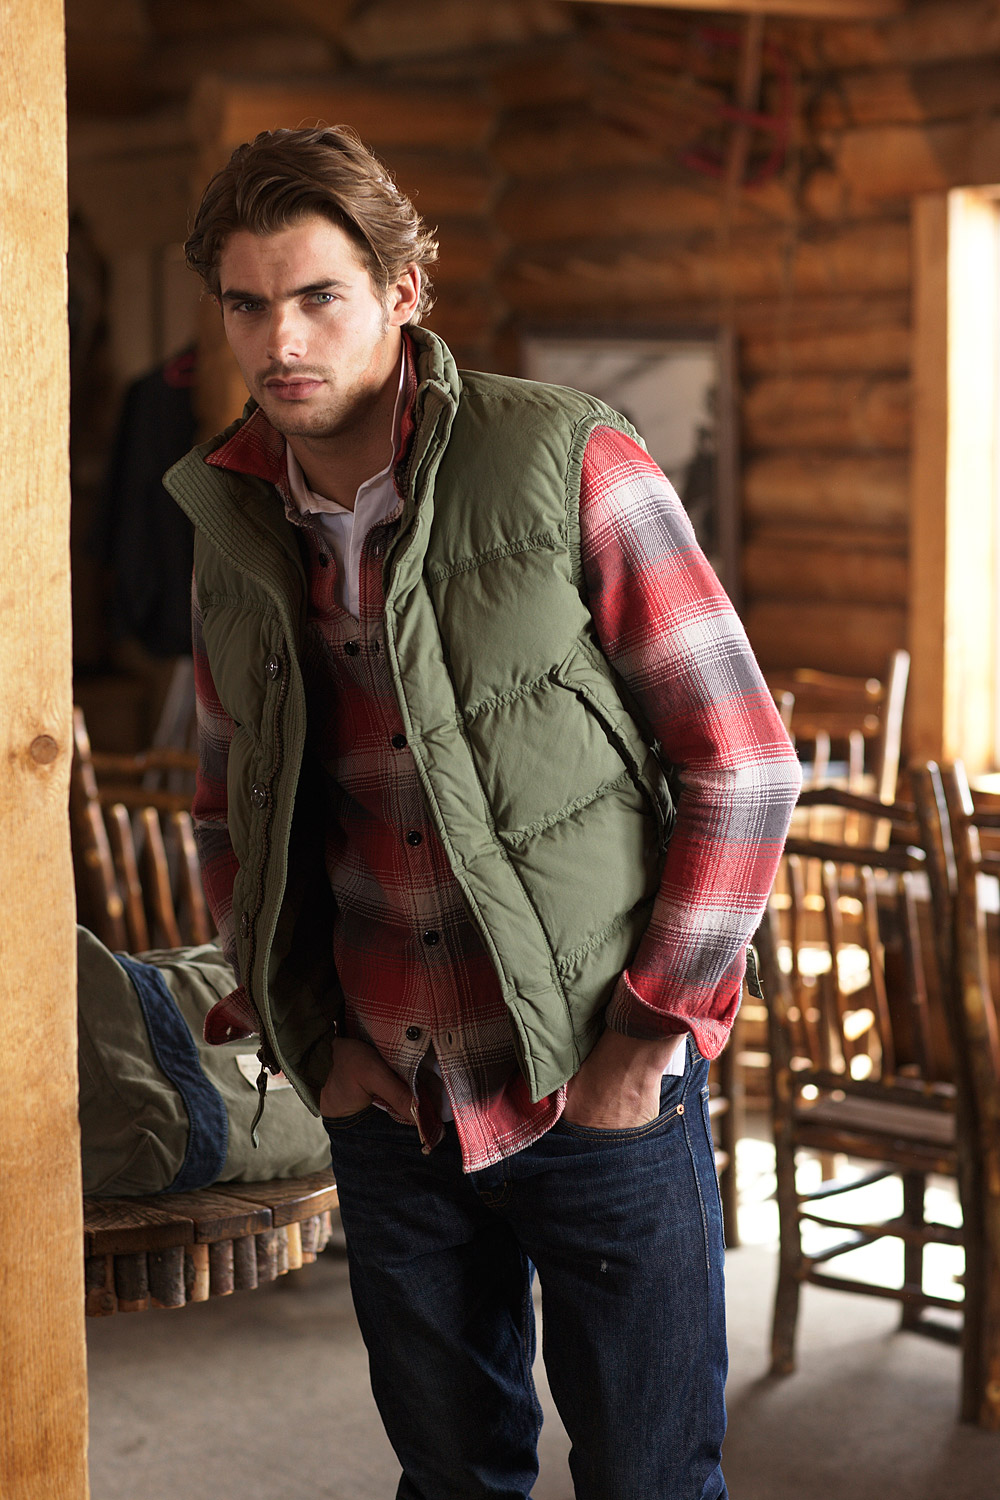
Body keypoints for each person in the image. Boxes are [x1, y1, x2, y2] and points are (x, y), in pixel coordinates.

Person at [165, 125, 801, 1500]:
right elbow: (228, 807)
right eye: (247, 305)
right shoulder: (229, 518)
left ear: (404, 289)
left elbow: (744, 763)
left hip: (599, 1081)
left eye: (318, 296)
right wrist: (311, 1041)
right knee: (451, 1483)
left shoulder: (567, 455)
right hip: (384, 1098)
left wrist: (647, 1036)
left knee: (651, 1481)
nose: (282, 340)